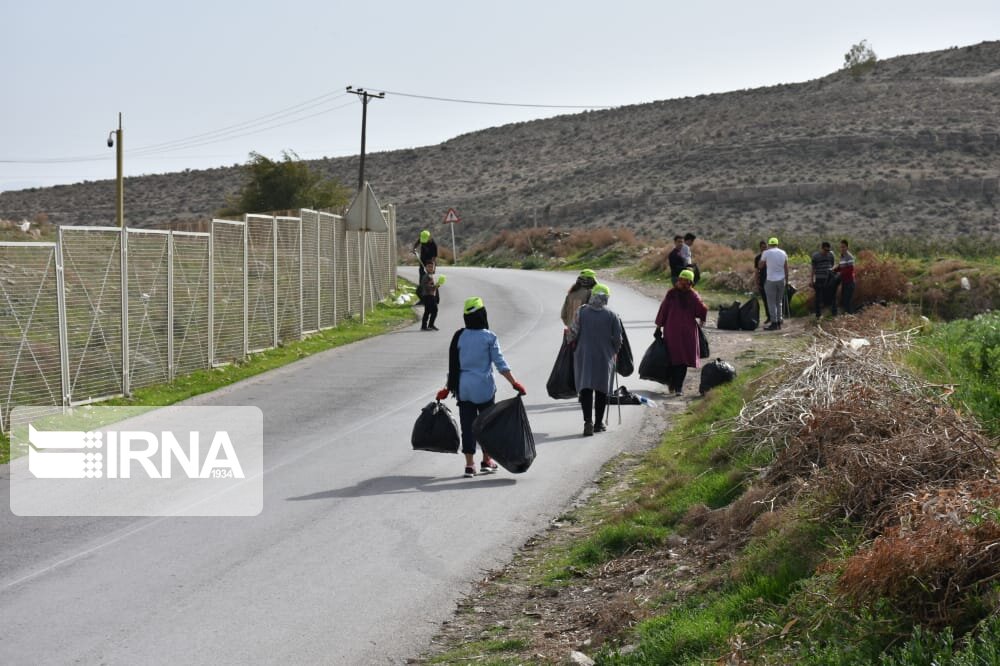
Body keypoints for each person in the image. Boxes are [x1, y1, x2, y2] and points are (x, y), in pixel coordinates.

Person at [436, 297, 526, 478]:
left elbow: (454, 367)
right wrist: (514, 383)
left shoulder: (459, 336)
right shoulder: (489, 337)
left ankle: (469, 465)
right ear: (483, 314)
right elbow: (501, 365)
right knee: (487, 426)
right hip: (484, 389)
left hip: (464, 389)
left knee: (467, 426)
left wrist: (447, 388)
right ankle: (487, 461)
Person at [565, 283, 622, 436]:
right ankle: (598, 424)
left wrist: (570, 342)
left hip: (584, 356)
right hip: (605, 357)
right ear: (606, 298)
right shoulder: (612, 315)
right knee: (602, 390)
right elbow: (618, 339)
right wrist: (614, 352)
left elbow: (572, 333)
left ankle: (588, 422)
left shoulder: (581, 312)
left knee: (586, 388)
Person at [654, 269, 707, 396]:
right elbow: (702, 309)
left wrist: (658, 327)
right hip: (686, 332)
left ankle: (675, 386)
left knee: (674, 358)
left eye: (684, 281)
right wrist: (702, 321)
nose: (682, 283)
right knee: (682, 360)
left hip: (673, 331)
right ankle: (678, 387)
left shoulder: (671, 294)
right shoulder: (693, 295)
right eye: (682, 281)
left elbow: (663, 311)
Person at [758, 237, 788, 331]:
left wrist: (763, 259)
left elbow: (760, 265)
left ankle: (774, 323)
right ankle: (779, 322)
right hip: (781, 280)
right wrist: (786, 280)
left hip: (770, 280)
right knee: (779, 302)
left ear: (769, 244)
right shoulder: (783, 253)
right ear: (777, 244)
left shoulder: (766, 253)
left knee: (771, 303)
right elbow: (786, 267)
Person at [810, 241, 838, 318]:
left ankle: (834, 313)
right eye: (825, 250)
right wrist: (811, 280)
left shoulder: (831, 255)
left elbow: (832, 265)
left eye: (828, 250)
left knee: (832, 296)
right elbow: (813, 269)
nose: (827, 252)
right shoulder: (815, 256)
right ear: (821, 248)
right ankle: (818, 315)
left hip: (829, 279)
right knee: (818, 297)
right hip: (819, 279)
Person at [418, 260, 441, 331]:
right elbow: (425, 287)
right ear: (426, 268)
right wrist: (435, 286)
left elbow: (431, 286)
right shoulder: (426, 276)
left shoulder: (430, 275)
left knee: (427, 311)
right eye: (429, 267)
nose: (431, 268)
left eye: (432, 267)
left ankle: (424, 326)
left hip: (431, 295)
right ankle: (430, 325)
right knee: (434, 310)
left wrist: (435, 286)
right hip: (428, 296)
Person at [835, 239, 856, 314]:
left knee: (847, 301)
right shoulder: (842, 256)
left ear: (847, 247)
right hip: (844, 282)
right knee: (844, 300)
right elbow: (841, 267)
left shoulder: (849, 257)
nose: (842, 248)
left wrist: (840, 274)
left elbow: (850, 269)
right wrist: (834, 270)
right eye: (841, 247)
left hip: (849, 282)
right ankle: (847, 316)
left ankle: (850, 317)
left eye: (843, 247)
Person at [752, 240, 771, 326]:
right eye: (763, 247)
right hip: (763, 281)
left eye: (766, 247)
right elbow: (756, 272)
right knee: (765, 300)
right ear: (760, 248)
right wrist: (756, 284)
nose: (765, 249)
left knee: (772, 300)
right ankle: (769, 316)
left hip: (771, 280)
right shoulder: (757, 258)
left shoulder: (771, 257)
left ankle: (775, 317)